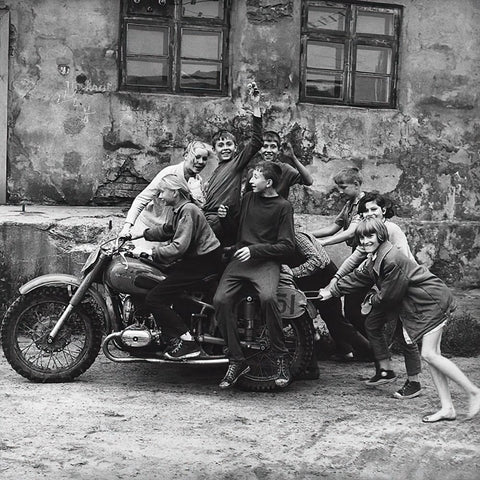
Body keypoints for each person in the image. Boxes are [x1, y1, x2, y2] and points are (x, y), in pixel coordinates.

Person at [319, 218, 480, 422]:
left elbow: (389, 296)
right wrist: (331, 291)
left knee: (430, 355)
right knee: (433, 357)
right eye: (361, 237)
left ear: (380, 235)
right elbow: (359, 279)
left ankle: (474, 392)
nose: (365, 240)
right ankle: (448, 408)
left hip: (430, 302)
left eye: (370, 236)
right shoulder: (375, 256)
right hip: (425, 302)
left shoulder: (391, 258)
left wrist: (370, 300)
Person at [331, 192, 423, 399]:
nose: (370, 214)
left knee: (406, 337)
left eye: (374, 209)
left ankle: (414, 383)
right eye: (365, 212)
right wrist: (335, 278)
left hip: (407, 287)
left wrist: (365, 271)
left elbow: (397, 259)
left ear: (383, 210)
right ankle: (385, 370)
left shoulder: (391, 229)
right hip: (390, 285)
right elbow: (355, 258)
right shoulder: (370, 232)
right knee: (372, 323)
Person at [214, 161, 295, 389]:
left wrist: (254, 250)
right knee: (220, 301)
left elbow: (287, 246)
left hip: (265, 262)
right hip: (240, 261)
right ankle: (236, 360)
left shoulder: (283, 207)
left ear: (268, 182)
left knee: (269, 299)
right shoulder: (249, 198)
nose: (250, 181)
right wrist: (224, 217)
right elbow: (236, 231)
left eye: (255, 177)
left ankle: (281, 359)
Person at [134, 174, 222, 360]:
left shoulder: (188, 210)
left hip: (202, 263)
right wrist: (139, 235)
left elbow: (179, 246)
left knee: (155, 298)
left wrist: (152, 253)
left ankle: (187, 341)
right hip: (198, 260)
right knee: (161, 284)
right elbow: (167, 230)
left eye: (163, 191)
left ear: (174, 192)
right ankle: (168, 336)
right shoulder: (180, 209)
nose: (159, 196)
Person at [280, 231, 372, 379]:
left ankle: (372, 352)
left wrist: (292, 272)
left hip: (323, 277)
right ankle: (313, 366)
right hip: (306, 279)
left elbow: (317, 260)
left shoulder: (296, 235)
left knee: (335, 321)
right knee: (305, 321)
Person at [310, 167, 368, 353]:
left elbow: (351, 232)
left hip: (367, 256)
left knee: (353, 307)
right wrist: (306, 234)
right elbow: (334, 227)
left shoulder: (365, 204)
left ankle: (372, 349)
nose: (341, 191)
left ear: (357, 185)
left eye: (344, 187)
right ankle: (361, 348)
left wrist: (323, 243)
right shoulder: (350, 204)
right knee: (351, 307)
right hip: (356, 253)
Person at [119, 140, 214, 244]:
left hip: (169, 232)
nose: (200, 162)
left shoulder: (197, 180)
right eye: (197, 157)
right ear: (186, 155)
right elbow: (142, 199)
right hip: (149, 228)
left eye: (204, 159)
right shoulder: (168, 173)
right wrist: (127, 226)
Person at [202, 83, 263, 246]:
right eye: (220, 145)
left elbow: (257, 142)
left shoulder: (236, 163)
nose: (225, 148)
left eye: (228, 144)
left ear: (235, 148)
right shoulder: (216, 171)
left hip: (219, 220)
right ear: (214, 150)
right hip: (206, 217)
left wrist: (255, 106)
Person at [245, 131, 313, 199]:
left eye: (273, 147)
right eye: (265, 146)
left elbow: (309, 181)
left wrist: (293, 158)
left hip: (278, 208)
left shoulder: (285, 169)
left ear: (278, 150)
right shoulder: (254, 170)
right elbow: (247, 196)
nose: (268, 150)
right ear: (259, 150)